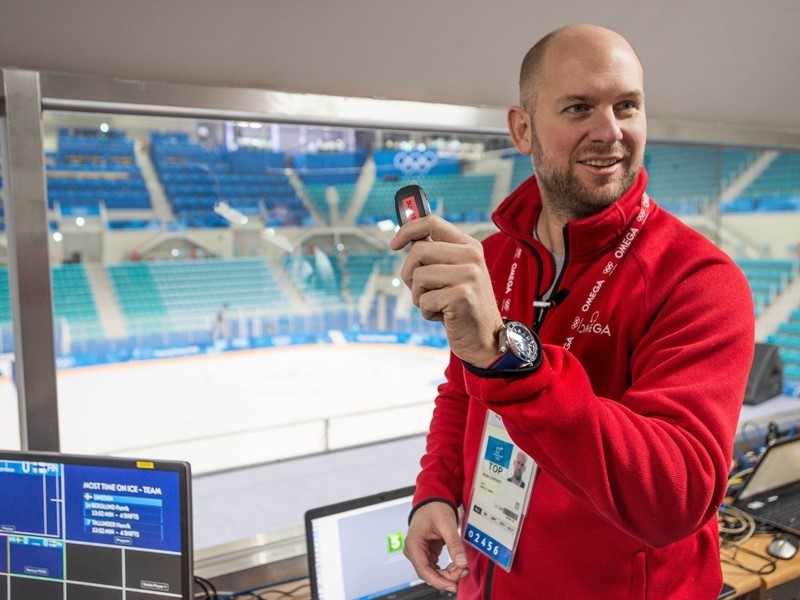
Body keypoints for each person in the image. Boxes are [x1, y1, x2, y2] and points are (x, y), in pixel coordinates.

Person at [390, 24, 755, 599]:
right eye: (580, 107)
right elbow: (465, 390)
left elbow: (677, 497)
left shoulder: (699, 280)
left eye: (627, 106)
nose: (609, 131)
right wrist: (436, 490)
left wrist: (510, 361)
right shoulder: (494, 256)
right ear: (523, 129)